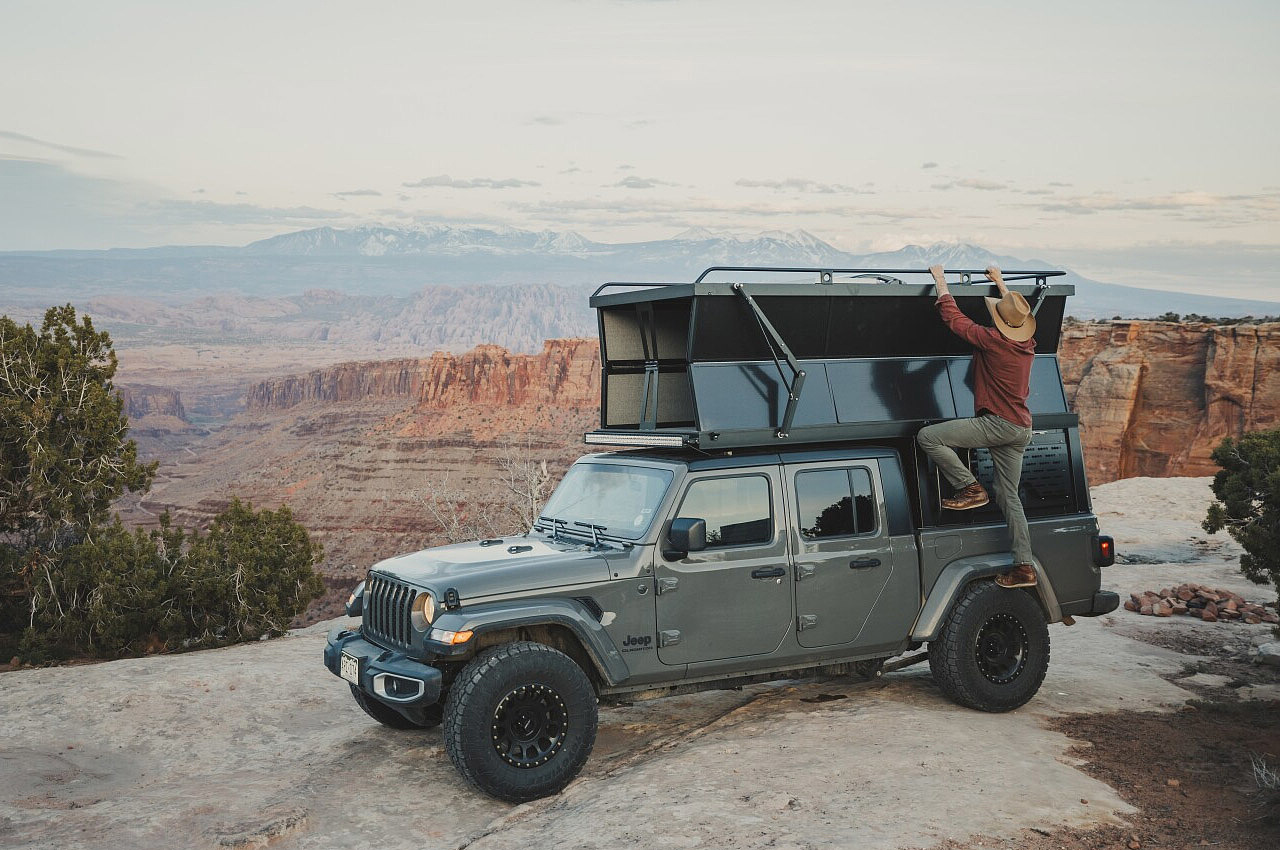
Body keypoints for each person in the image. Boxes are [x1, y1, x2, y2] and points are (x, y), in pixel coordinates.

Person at [917, 264, 1038, 589]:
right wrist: (1000, 282)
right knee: (1007, 495)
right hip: (1020, 428)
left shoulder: (993, 341)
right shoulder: (1027, 345)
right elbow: (1016, 314)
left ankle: (969, 488)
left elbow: (955, 320)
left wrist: (940, 280)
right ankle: (1024, 566)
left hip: (997, 424)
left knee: (928, 437)